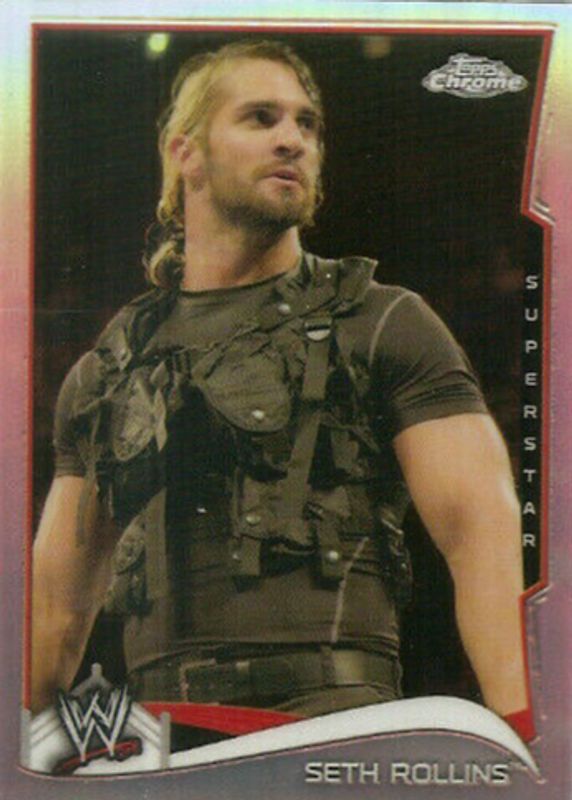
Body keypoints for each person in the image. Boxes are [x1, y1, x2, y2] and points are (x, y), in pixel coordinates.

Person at [31, 40, 529, 741]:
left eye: (307, 124)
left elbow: (479, 540)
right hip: (162, 749)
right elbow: (54, 613)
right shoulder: (107, 371)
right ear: (186, 153)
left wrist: (523, 738)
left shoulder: (382, 321)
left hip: (335, 737)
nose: (292, 139)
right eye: (261, 118)